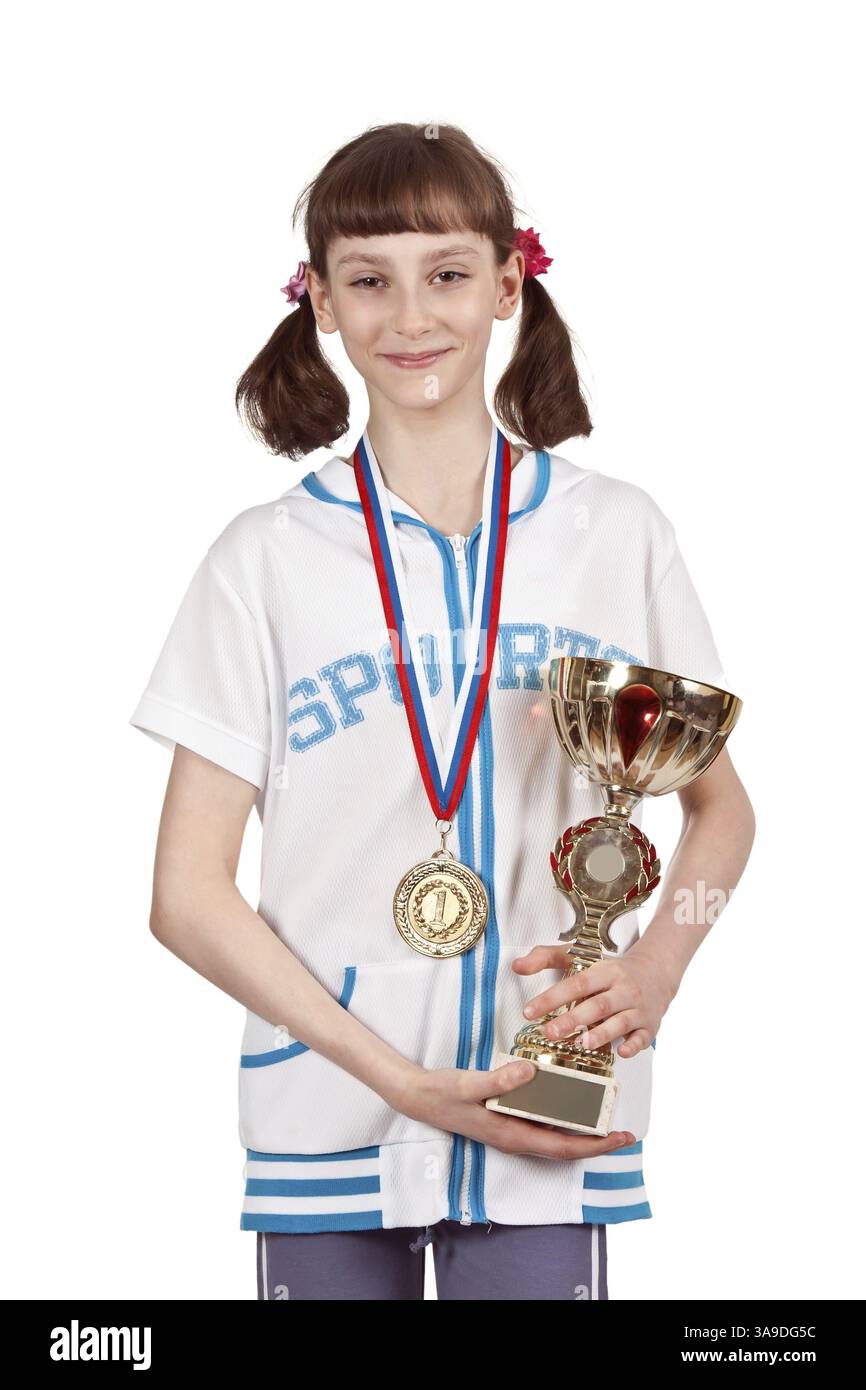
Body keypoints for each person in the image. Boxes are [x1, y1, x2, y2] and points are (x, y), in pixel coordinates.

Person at [129, 121, 755, 1301]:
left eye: (447, 274)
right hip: (329, 1111)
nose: (410, 316)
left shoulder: (613, 534)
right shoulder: (262, 561)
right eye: (367, 279)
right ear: (318, 299)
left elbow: (720, 815)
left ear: (507, 284)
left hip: (548, 1106)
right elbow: (185, 894)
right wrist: (395, 1078)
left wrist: (660, 965)